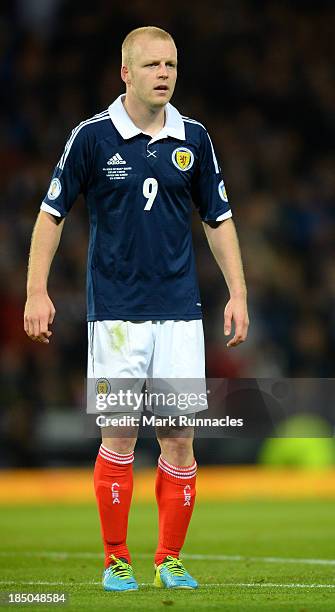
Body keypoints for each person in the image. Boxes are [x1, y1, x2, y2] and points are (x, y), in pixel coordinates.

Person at [24, 26, 249, 591]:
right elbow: (52, 215)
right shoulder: (93, 138)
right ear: (125, 72)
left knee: (179, 438)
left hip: (179, 313)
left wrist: (238, 292)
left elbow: (218, 219)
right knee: (119, 435)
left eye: (171, 64)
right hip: (118, 318)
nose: (164, 74)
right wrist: (36, 290)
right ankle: (116, 558)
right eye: (151, 65)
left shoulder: (193, 138)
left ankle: (169, 558)